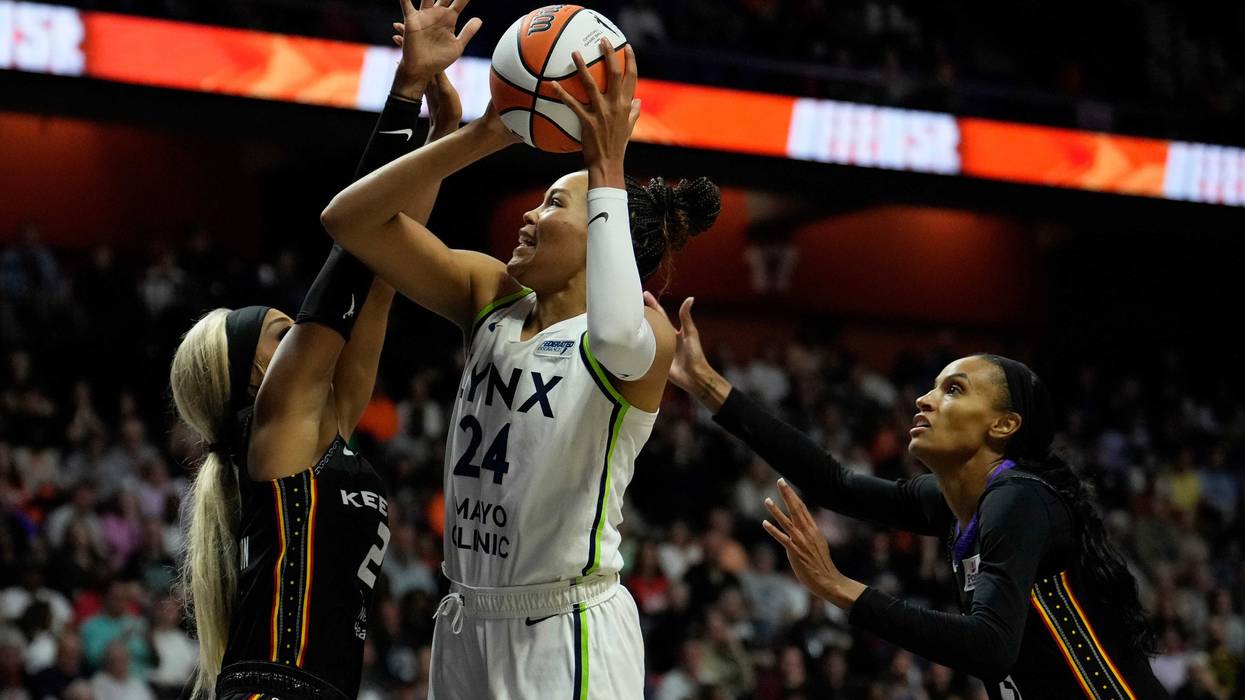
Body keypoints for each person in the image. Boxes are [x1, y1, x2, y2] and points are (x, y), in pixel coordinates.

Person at [319, 1, 720, 696]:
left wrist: (604, 168)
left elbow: (619, 335)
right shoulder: (492, 296)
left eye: (554, 205)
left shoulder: (642, 337)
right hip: (467, 617)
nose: (530, 215)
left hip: (564, 624)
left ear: (600, 234)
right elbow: (350, 219)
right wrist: (480, 130)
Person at [652, 295, 1169, 699]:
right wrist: (707, 386)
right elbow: (834, 483)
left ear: (1004, 425)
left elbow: (990, 647)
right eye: (933, 386)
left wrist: (838, 587)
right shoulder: (957, 502)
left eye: (954, 389)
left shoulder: (1019, 501)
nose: (925, 398)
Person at [168, 29, 465, 699]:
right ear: (253, 378)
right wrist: (405, 96)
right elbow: (352, 246)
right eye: (283, 335)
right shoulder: (278, 427)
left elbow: (386, 267)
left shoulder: (319, 432)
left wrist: (441, 134)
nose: (303, 340)